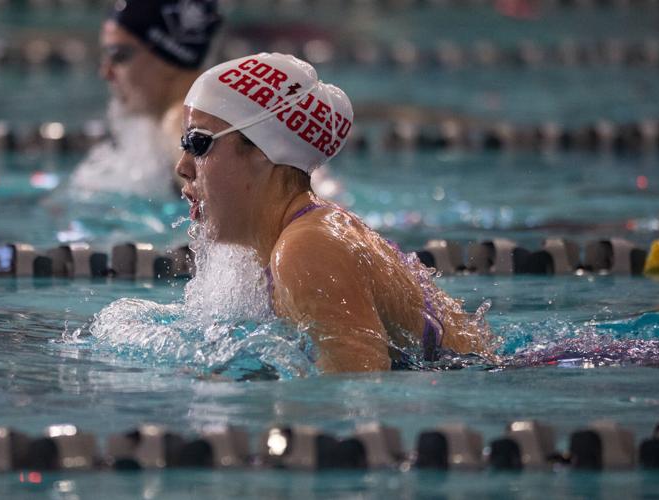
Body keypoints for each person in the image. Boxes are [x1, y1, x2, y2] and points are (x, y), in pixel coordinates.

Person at [174, 53, 495, 373]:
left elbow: (354, 402)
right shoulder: (297, 236)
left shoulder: (306, 252)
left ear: (262, 149)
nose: (183, 167)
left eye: (198, 144)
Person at [70, 0, 222, 197]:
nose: (105, 72)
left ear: (168, 55)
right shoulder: (182, 119)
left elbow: (222, 210)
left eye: (119, 55)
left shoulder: (179, 121)